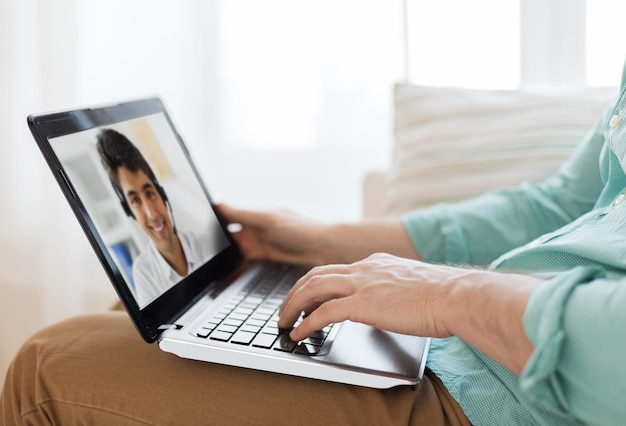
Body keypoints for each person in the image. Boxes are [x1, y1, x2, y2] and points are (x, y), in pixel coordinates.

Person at [2, 64, 626, 426]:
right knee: (165, 317)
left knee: (47, 366)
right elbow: (560, 205)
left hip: (517, 398)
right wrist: (324, 239)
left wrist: (448, 293)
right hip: (476, 345)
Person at [97, 128, 218, 307]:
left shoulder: (207, 244)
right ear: (130, 213)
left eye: (150, 193)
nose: (152, 213)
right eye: (135, 200)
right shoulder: (143, 271)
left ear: (162, 195)